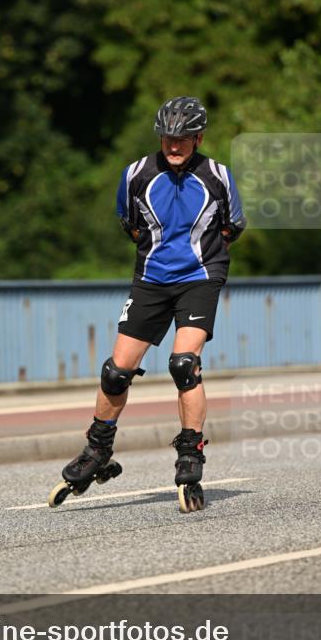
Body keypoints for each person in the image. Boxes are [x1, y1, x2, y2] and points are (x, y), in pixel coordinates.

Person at [47, 96, 246, 511]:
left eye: (183, 138)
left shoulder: (218, 177)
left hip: (200, 277)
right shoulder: (136, 174)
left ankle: (190, 453)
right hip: (151, 280)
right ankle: (98, 450)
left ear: (198, 137)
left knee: (183, 364)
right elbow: (131, 227)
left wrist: (199, 259)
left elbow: (232, 227)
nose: (174, 145)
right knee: (115, 372)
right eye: (168, 137)